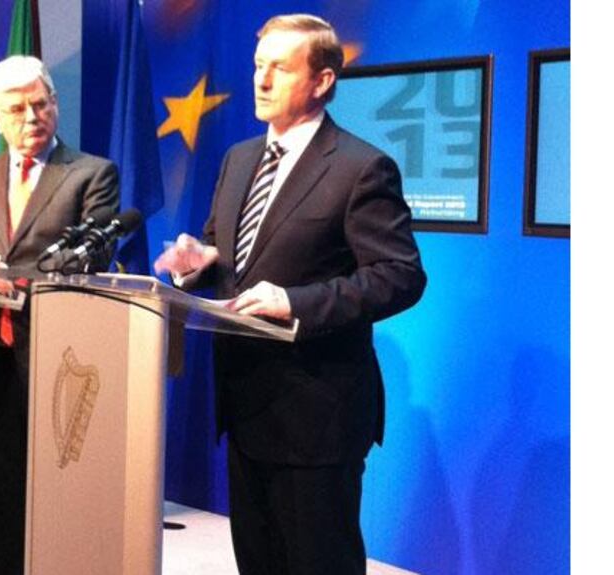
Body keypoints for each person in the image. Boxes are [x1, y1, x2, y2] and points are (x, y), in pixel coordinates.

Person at [154, 14, 426, 575]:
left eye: (279, 68)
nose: (261, 80)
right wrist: (197, 265)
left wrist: (296, 304)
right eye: (259, 66)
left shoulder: (361, 167)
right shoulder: (238, 160)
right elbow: (228, 257)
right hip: (247, 405)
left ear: (322, 80)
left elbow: (399, 276)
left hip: (318, 418)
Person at [0, 55, 119, 575]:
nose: (31, 117)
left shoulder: (91, 174)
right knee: (4, 494)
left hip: (62, 360)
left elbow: (93, 257)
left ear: (55, 104)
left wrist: (12, 278)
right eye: (17, 109)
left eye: (40, 104)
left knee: (64, 494)